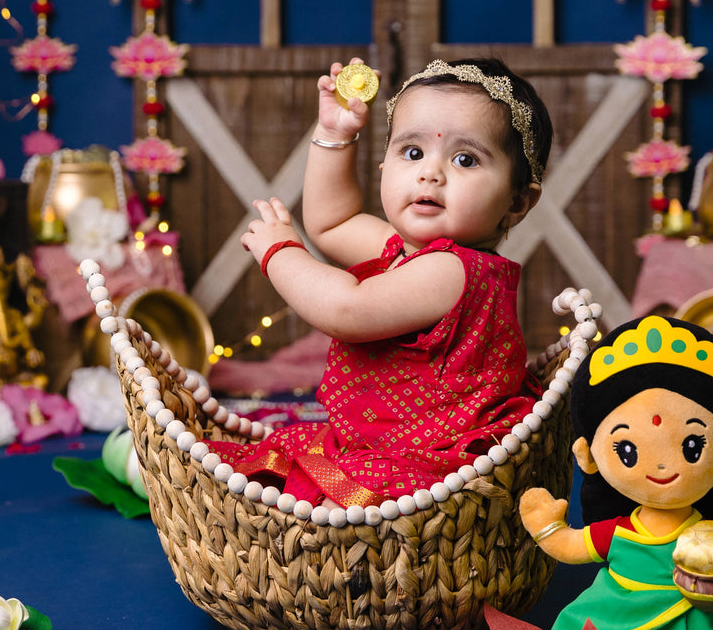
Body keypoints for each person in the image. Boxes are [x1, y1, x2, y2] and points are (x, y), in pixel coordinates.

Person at [217, 57, 554, 509]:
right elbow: (332, 223)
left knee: (308, 505)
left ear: (517, 201)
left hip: (426, 465)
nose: (430, 173)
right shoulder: (404, 249)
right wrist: (336, 137)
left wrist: (280, 254)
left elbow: (346, 311)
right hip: (375, 445)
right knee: (269, 466)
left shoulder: (455, 271)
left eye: (465, 159)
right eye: (412, 153)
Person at [519, 314, 713, 630]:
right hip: (618, 611)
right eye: (626, 450)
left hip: (698, 617)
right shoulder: (618, 532)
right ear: (589, 455)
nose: (661, 466)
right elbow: (572, 545)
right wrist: (548, 527)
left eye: (693, 446)